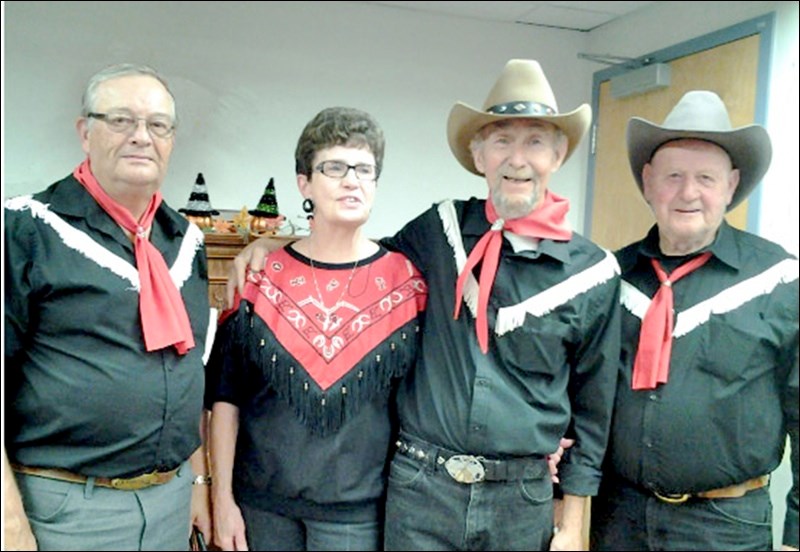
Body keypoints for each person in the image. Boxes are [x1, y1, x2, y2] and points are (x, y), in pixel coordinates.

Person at [228, 59, 622, 551]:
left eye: (535, 141)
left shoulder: (593, 273)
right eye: (501, 140)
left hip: (520, 499)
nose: (517, 159)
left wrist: (573, 523)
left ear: (559, 155)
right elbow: (347, 251)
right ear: (479, 155)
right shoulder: (439, 232)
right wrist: (268, 248)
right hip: (420, 489)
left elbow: (593, 411)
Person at [3, 63, 212, 550]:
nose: (141, 136)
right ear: (85, 132)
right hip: (66, 510)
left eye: (157, 125)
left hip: (170, 504)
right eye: (120, 120)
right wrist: (8, 522)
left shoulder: (186, 243)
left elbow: (189, 379)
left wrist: (197, 485)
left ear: (171, 140)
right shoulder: (26, 229)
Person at [205, 106, 428, 551]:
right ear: (304, 183)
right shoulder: (260, 280)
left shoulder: (408, 283)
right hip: (260, 508)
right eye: (334, 168)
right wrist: (221, 499)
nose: (352, 180)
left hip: (359, 514)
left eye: (365, 169)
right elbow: (225, 400)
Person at [589, 91, 799, 551]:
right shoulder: (608, 278)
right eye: (673, 177)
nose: (688, 193)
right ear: (648, 183)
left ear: (731, 185)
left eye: (706, 178)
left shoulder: (781, 282)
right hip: (617, 518)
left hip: (724, 525)